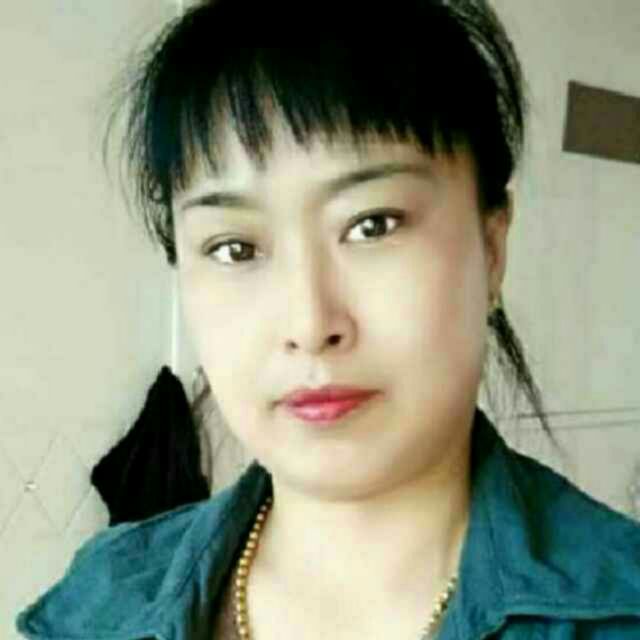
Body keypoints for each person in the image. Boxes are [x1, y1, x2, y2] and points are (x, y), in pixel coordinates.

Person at [16, 1, 640, 639]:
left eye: (373, 225)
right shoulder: (99, 606)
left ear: (492, 247)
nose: (310, 324)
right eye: (235, 248)